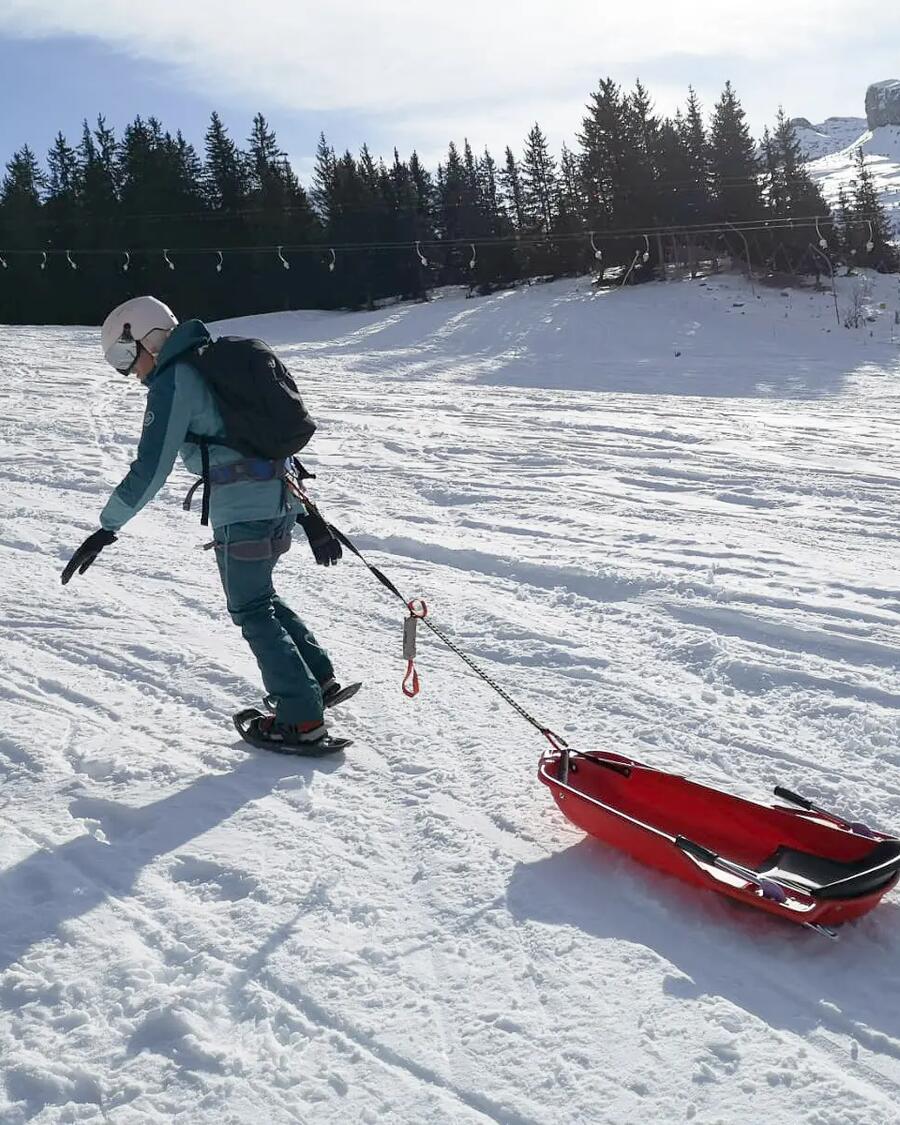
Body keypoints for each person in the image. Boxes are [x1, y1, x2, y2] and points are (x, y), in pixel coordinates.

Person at [61, 295, 348, 751]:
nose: (128, 372)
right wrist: (307, 515)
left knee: (251, 609)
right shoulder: (217, 365)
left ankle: (301, 719)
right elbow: (271, 447)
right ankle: (317, 679)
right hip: (275, 503)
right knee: (261, 598)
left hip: (242, 513)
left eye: (123, 356)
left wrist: (107, 527)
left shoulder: (175, 380)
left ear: (148, 338)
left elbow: (150, 467)